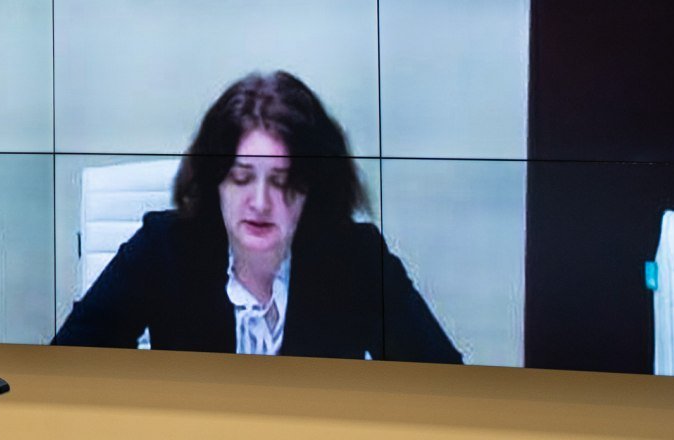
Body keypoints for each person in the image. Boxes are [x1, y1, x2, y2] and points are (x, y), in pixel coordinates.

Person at [53, 71, 462, 363]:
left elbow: (446, 387)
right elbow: (66, 368)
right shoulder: (164, 248)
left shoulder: (357, 260)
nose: (261, 202)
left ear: (313, 188)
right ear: (215, 180)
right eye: (241, 178)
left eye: (282, 181)